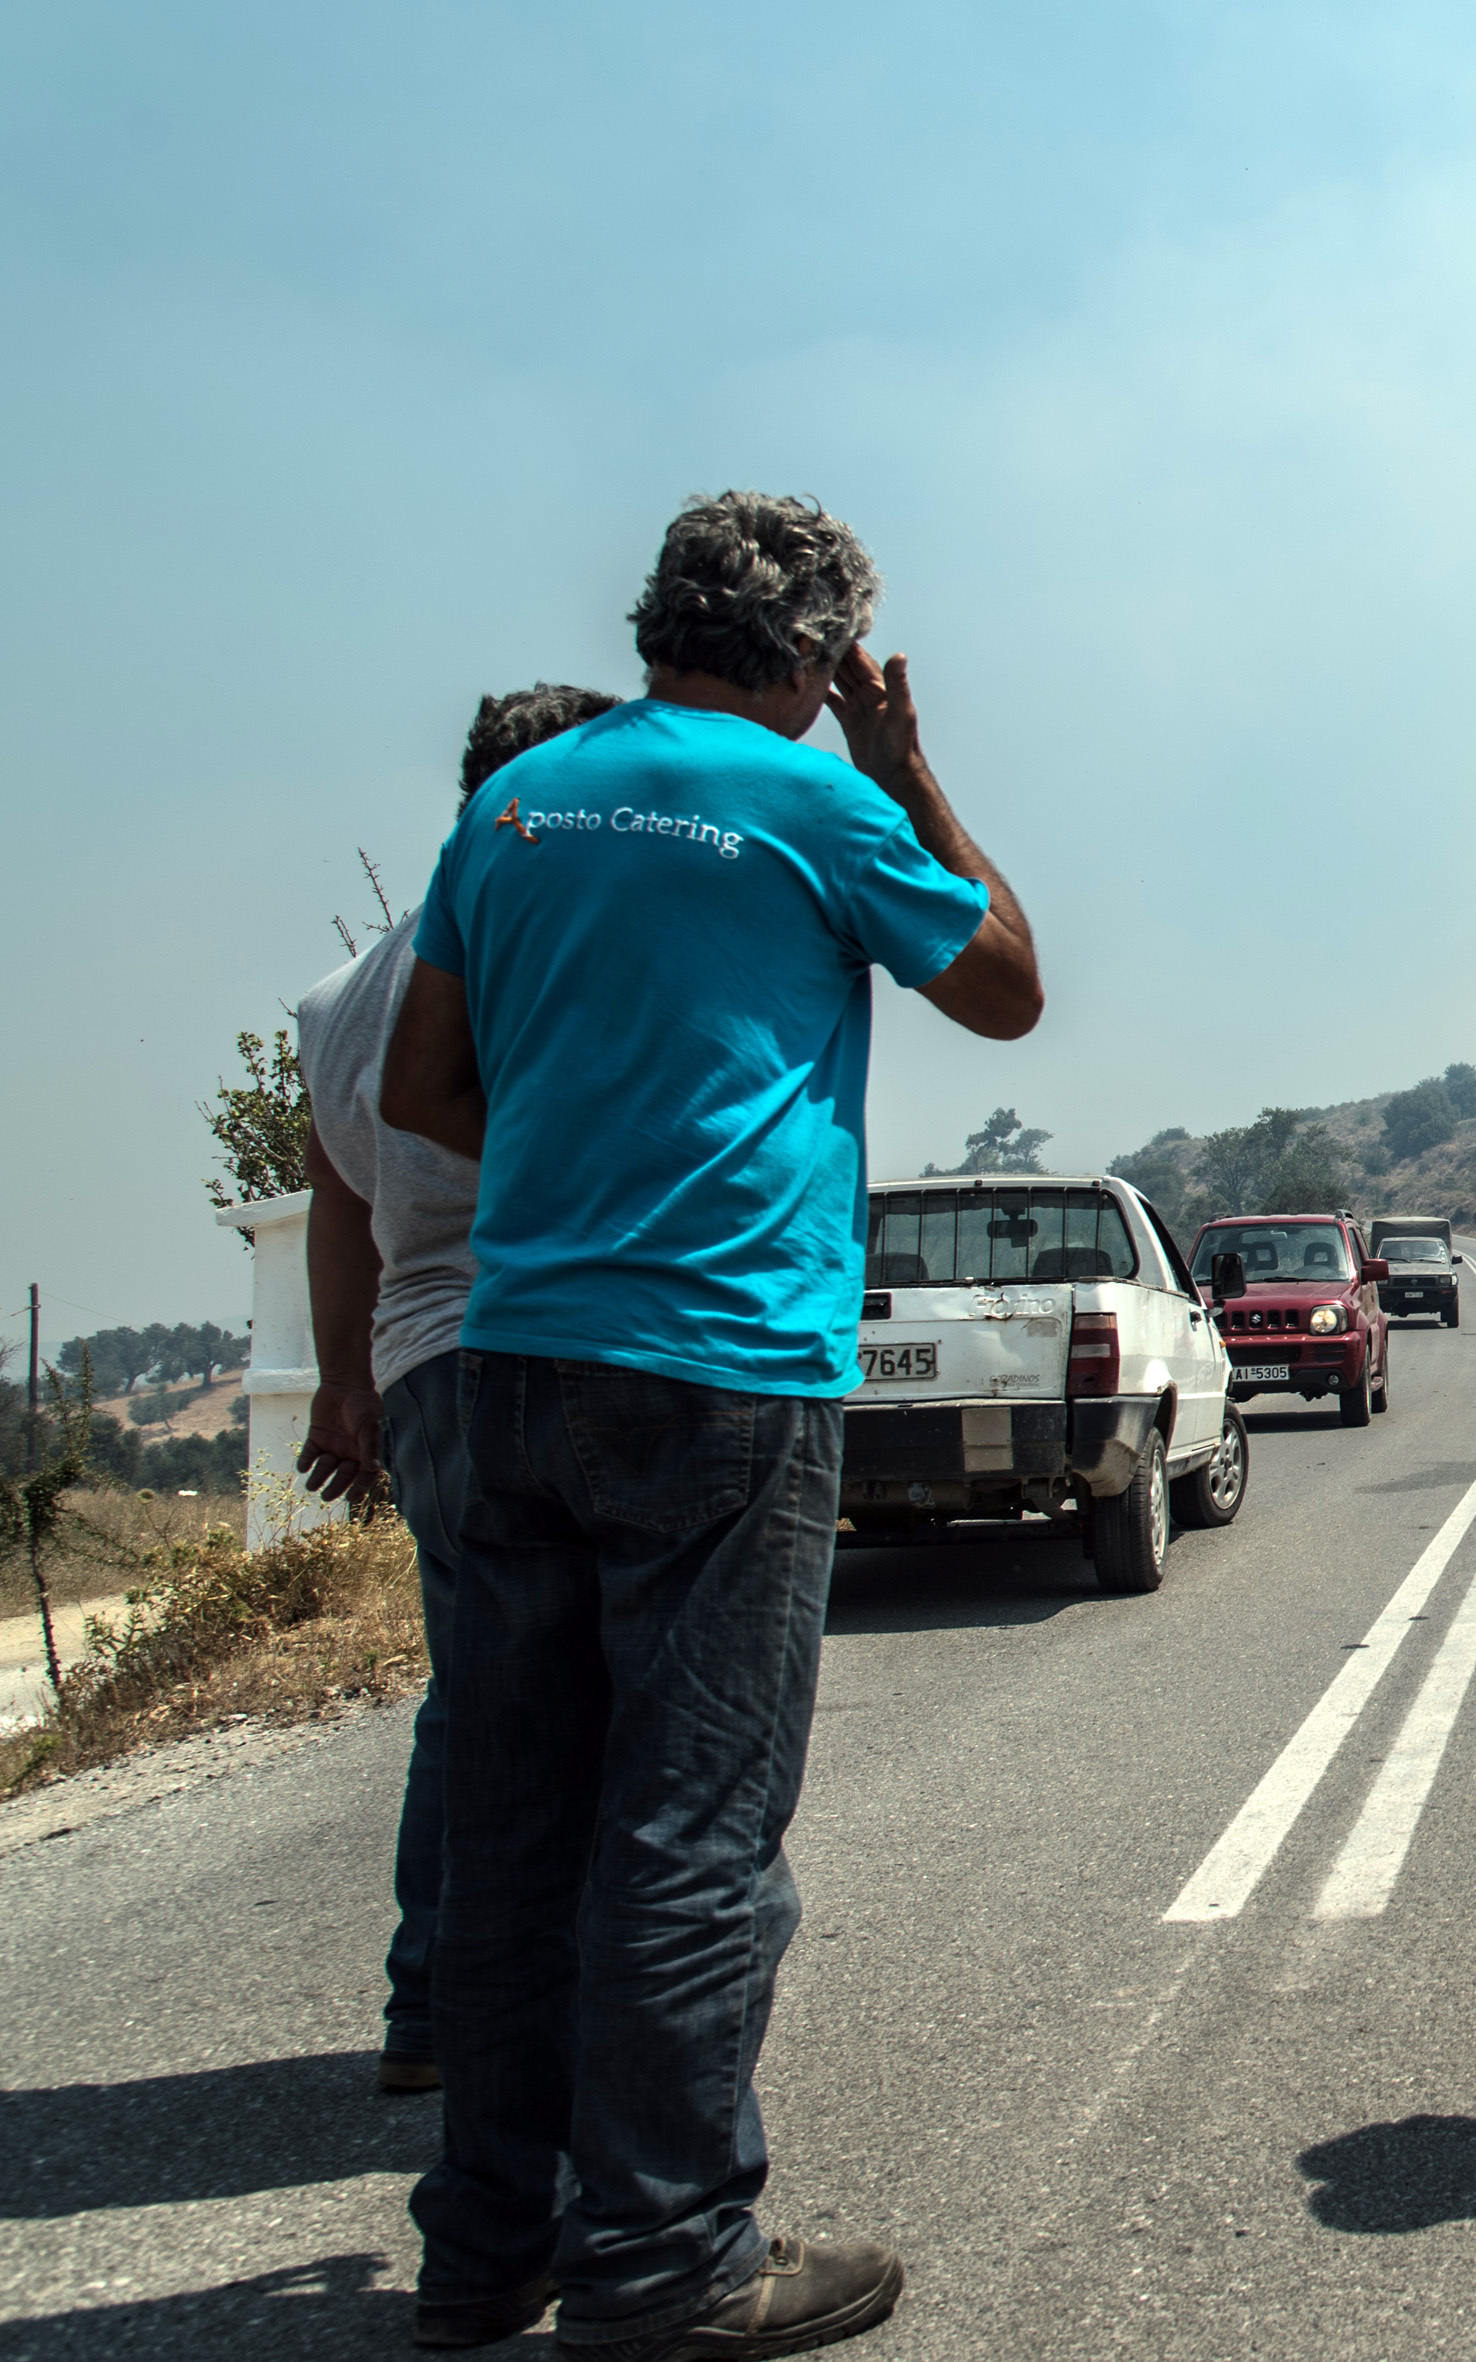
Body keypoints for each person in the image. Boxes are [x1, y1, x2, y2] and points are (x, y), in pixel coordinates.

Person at [381, 492, 1043, 2359]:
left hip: (511, 1360)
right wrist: (911, 775)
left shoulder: (508, 809)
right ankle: (668, 2261)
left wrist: (582, 1161)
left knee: (518, 1833)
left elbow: (425, 1082)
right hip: (722, 1363)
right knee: (689, 1834)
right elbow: (1004, 986)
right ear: (822, 658)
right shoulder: (814, 796)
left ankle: (485, 2251)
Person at [294, 683, 623, 2100]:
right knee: (616, 1691)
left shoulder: (337, 998)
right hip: (557, 1335)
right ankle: (583, 2023)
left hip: (423, 1356)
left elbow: (330, 1203)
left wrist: (339, 1382)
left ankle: (431, 2002)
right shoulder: (523, 937)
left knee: (476, 1690)